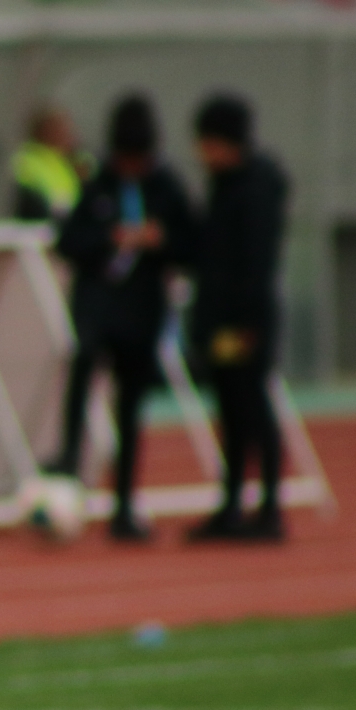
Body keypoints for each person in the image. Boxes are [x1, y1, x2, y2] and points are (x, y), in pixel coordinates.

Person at [50, 95, 199, 539]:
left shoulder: (166, 186)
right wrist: (107, 238)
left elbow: (193, 244)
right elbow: (68, 241)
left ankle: (124, 505)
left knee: (131, 403)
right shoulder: (98, 182)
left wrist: (159, 240)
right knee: (83, 367)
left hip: (142, 307)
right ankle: (68, 463)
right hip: (98, 302)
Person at [186, 94, 288, 543]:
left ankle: (268, 508)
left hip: (245, 324)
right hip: (223, 322)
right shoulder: (224, 185)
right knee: (230, 408)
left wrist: (247, 328)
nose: (202, 153)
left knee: (252, 406)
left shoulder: (255, 190)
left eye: (208, 143)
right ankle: (231, 505)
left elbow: (253, 265)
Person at [11, 104, 88, 222]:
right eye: (60, 129)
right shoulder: (28, 160)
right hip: (41, 225)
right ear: (44, 131)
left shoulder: (65, 162)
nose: (68, 135)